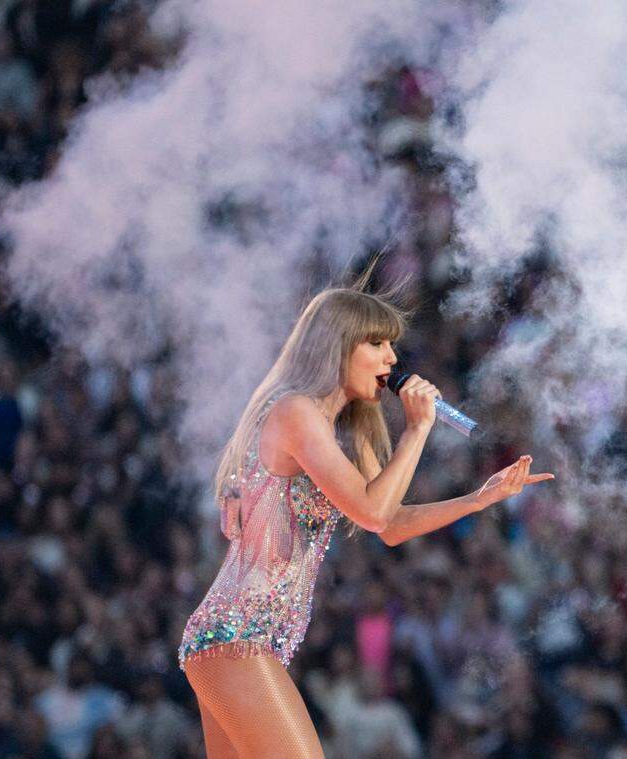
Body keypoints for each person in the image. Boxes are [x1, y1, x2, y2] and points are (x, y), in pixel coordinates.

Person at [176, 265, 554, 757]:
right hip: (236, 639)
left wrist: (479, 498)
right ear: (338, 347)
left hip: (243, 644)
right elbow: (375, 514)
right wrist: (416, 430)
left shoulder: (344, 431)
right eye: (377, 344)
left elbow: (390, 525)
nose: (392, 358)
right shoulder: (296, 412)